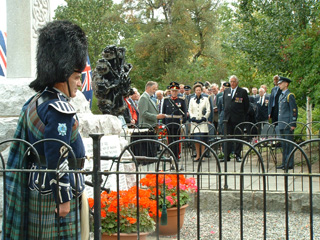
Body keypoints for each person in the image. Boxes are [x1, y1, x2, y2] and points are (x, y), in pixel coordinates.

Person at [2, 20, 88, 239]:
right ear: (62, 75)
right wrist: (64, 199)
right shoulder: (59, 109)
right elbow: (56, 156)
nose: (80, 84)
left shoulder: (37, 100)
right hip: (54, 193)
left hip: (38, 185)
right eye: (77, 77)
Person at [223, 75, 249, 162]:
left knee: (238, 137)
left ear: (237, 82)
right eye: (231, 81)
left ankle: (237, 155)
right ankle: (227, 155)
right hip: (228, 118)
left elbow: (246, 106)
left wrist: (241, 114)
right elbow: (224, 104)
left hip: (238, 118)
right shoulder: (226, 91)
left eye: (234, 81)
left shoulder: (242, 91)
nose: (232, 83)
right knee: (228, 137)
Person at [276, 77, 298, 170]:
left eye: (281, 83)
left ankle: (289, 163)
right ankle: (284, 162)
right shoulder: (281, 96)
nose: (279, 85)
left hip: (288, 123)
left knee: (289, 144)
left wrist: (293, 123)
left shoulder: (290, 95)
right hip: (282, 123)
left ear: (286, 84)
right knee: (284, 144)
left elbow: (294, 111)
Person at [162, 82, 187, 160]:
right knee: (170, 140)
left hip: (177, 123)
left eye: (176, 91)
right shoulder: (166, 100)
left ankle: (177, 155)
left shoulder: (182, 100)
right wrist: (164, 123)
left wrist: (183, 122)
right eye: (172, 91)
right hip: (169, 122)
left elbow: (184, 112)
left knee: (177, 140)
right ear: (170, 91)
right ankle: (171, 155)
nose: (174, 92)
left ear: (178, 91)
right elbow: (163, 112)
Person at [189, 83, 211, 162]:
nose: (198, 91)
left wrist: (204, 118)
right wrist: (193, 117)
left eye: (199, 90)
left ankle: (202, 155)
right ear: (194, 91)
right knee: (196, 140)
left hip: (202, 122)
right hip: (195, 122)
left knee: (202, 140)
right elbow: (190, 110)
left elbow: (208, 110)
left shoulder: (205, 99)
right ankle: (197, 155)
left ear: (201, 91)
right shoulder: (192, 99)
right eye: (196, 90)